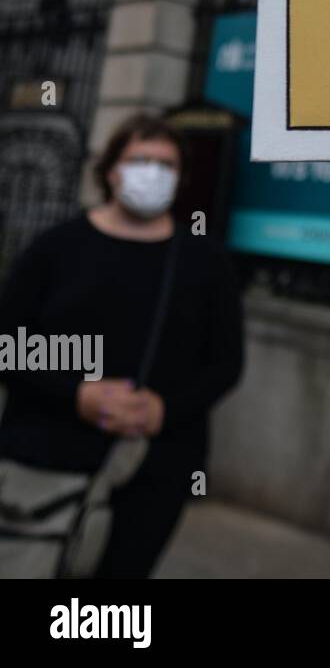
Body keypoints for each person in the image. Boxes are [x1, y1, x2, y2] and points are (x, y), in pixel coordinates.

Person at [0, 113, 244, 578]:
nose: (152, 173)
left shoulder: (205, 260)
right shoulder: (57, 247)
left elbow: (226, 363)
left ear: (181, 178)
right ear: (111, 170)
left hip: (153, 468)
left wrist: (164, 410)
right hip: (47, 455)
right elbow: (9, 344)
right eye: (139, 160)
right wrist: (77, 392)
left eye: (166, 165)